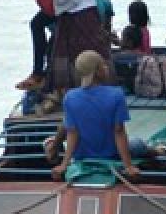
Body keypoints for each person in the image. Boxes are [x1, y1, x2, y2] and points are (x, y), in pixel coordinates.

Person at [51, 51, 140, 182]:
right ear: (98, 71)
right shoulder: (116, 95)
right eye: (104, 65)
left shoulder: (70, 97)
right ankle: (160, 150)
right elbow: (119, 132)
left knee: (48, 141)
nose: (107, 67)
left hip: (82, 156)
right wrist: (129, 166)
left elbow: (72, 133)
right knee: (138, 144)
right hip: (111, 155)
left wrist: (64, 165)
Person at [0, 0, 56, 91]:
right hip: (54, 8)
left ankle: (42, 74)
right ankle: (38, 73)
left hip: (68, 6)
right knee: (36, 24)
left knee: (49, 33)